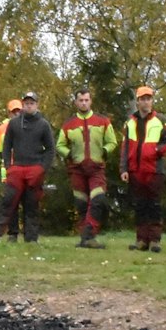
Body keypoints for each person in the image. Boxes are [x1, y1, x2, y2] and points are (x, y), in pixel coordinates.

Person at [0, 91, 58, 244]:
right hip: (17, 169)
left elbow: (50, 149)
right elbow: (6, 147)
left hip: (35, 170)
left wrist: (42, 168)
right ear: (23, 104)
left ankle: (31, 239)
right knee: (8, 203)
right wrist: (9, 166)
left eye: (31, 103)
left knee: (31, 205)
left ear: (36, 105)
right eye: (26, 103)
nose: (29, 105)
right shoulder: (13, 124)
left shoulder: (43, 124)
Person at [56, 90, 117, 249]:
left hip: (97, 168)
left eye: (86, 100)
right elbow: (59, 145)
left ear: (91, 101)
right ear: (76, 102)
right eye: (81, 100)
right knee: (81, 204)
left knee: (98, 200)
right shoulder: (69, 124)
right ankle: (86, 238)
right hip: (77, 169)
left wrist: (105, 151)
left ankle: (89, 235)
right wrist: (68, 154)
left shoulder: (102, 121)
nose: (84, 103)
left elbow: (112, 142)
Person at [121, 87, 166, 252]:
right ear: (137, 101)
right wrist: (123, 168)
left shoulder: (162, 120)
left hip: (154, 170)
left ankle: (155, 240)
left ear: (152, 101)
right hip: (135, 170)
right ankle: (141, 240)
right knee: (140, 206)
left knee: (154, 205)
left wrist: (156, 151)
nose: (146, 102)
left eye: (148, 98)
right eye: (142, 99)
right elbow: (125, 147)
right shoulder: (130, 122)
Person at [0, 99, 25, 241]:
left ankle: (29, 235)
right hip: (9, 171)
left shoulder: (29, 124)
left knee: (28, 203)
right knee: (11, 204)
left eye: (19, 110)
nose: (17, 113)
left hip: (26, 169)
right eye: (14, 111)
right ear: (9, 112)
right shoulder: (2, 128)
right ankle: (12, 234)